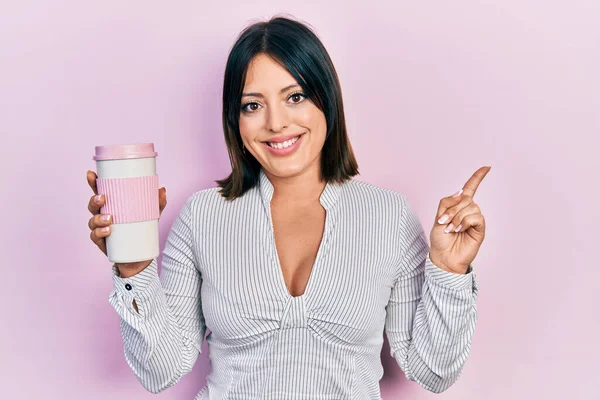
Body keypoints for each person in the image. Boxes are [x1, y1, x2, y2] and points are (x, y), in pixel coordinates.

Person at [86, 15, 490, 399]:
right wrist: (133, 270)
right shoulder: (202, 216)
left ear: (326, 100)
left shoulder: (389, 216)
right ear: (235, 121)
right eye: (252, 105)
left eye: (294, 97)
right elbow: (161, 370)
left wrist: (449, 272)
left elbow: (433, 372)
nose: (276, 123)